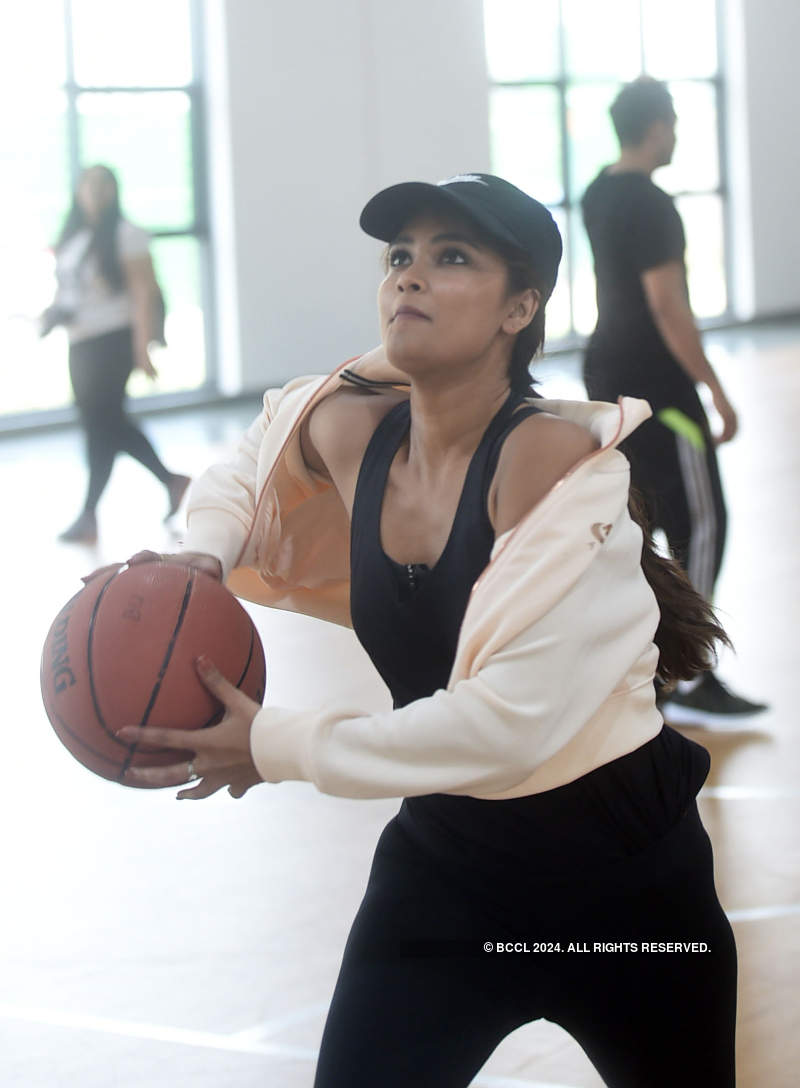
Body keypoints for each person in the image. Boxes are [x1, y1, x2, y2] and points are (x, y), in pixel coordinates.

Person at [109, 174, 737, 1086]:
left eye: (451, 257)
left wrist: (273, 744)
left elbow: (504, 726)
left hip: (626, 892)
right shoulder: (357, 433)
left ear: (521, 306)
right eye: (400, 255)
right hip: (447, 876)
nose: (410, 275)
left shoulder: (552, 464)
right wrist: (197, 557)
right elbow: (254, 458)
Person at [582, 77, 767, 727]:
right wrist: (713, 387)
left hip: (606, 373)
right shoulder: (655, 205)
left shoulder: (597, 192)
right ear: (656, 126)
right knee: (704, 521)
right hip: (661, 385)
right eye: (675, 123)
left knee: (642, 521)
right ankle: (692, 668)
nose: (679, 135)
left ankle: (649, 669)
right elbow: (667, 305)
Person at [46, 164, 190, 543]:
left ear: (114, 192)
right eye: (88, 186)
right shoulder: (75, 237)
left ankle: (89, 514)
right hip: (80, 342)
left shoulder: (127, 235)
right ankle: (172, 481)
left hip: (113, 341)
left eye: (102, 186)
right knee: (107, 424)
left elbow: (144, 292)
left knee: (101, 427)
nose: (95, 193)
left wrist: (143, 349)